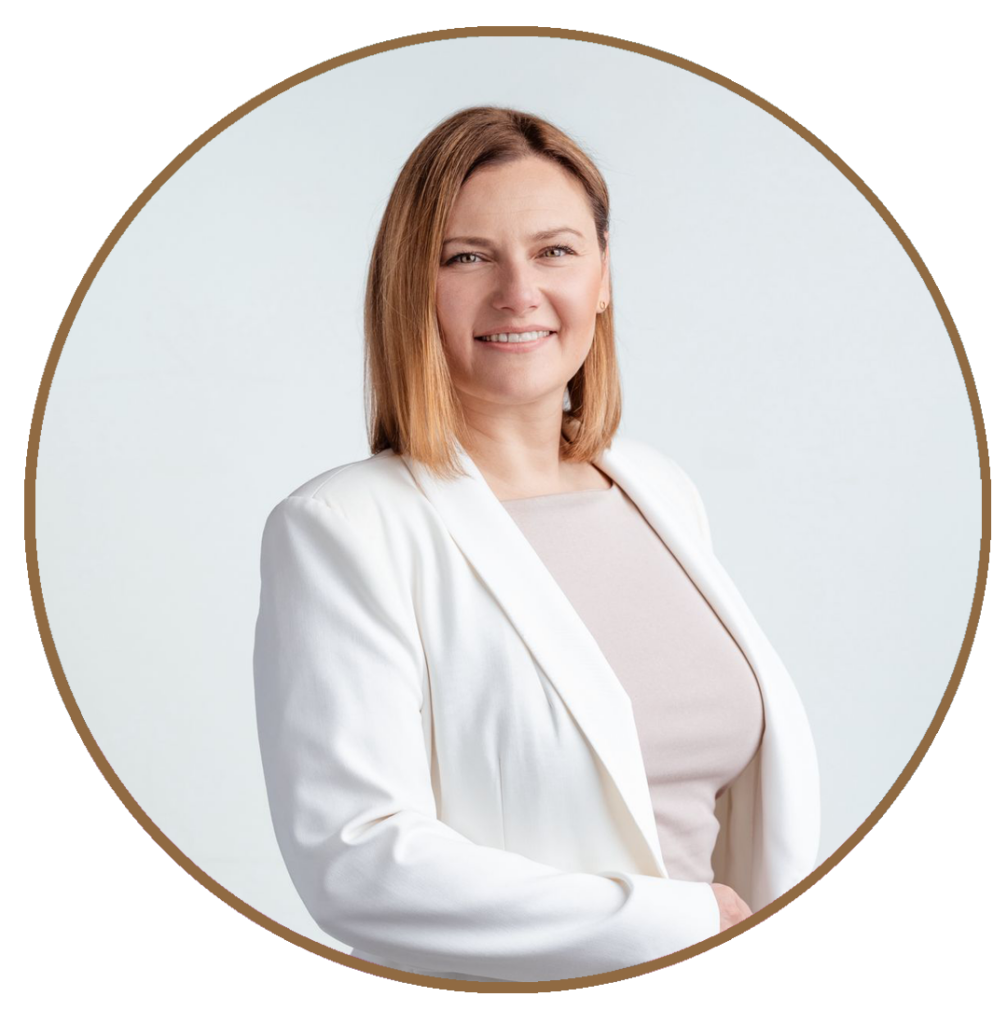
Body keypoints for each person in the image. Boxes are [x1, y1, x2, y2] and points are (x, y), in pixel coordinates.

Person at [253, 106, 821, 984]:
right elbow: (356, 861)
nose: (517, 292)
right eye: (466, 257)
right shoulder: (344, 528)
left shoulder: (659, 491)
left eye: (554, 251)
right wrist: (674, 921)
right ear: (411, 286)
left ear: (602, 277)